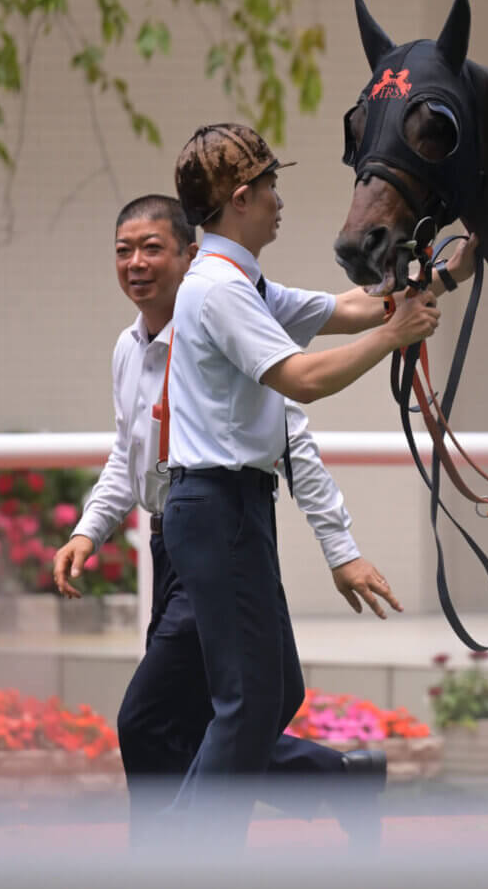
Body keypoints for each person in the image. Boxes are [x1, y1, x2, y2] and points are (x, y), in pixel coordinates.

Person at [51, 193, 438, 845]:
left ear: (189, 254)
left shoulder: (231, 316)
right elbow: (129, 452)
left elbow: (298, 444)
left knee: (154, 719)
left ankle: (168, 854)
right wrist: (90, 527)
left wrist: (341, 547)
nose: (137, 263)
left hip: (214, 536)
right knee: (222, 708)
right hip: (175, 547)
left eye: (152, 248)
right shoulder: (130, 347)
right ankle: (335, 779)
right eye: (125, 250)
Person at [156, 122, 447, 844]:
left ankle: (182, 846)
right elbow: (301, 378)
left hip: (230, 506)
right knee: (248, 702)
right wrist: (393, 336)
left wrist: (437, 277)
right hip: (219, 505)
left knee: (271, 691)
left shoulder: (239, 279)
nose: (282, 201)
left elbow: (342, 308)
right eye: (273, 187)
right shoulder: (220, 288)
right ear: (244, 197)